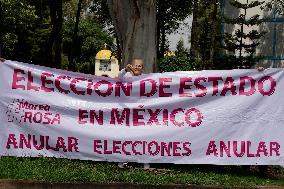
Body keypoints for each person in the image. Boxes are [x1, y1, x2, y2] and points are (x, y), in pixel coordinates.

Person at [117, 58, 150, 169]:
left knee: (142, 137)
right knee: (126, 137)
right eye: (135, 65)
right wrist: (125, 69)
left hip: (141, 114)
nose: (137, 67)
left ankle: (145, 162)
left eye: (139, 66)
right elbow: (119, 77)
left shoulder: (146, 78)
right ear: (131, 66)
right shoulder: (127, 76)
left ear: (142, 68)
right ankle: (123, 160)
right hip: (128, 114)